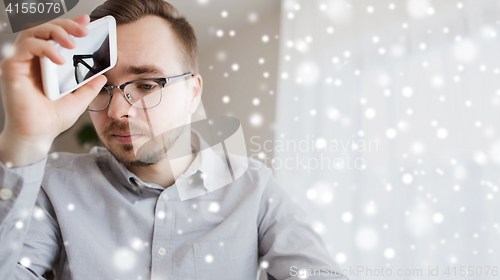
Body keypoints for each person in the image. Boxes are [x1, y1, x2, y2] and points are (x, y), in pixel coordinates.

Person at [0, 0, 346, 279]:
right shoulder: (56, 187)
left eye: (148, 85)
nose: (119, 109)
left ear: (193, 93)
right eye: (102, 87)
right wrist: (23, 138)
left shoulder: (253, 189)